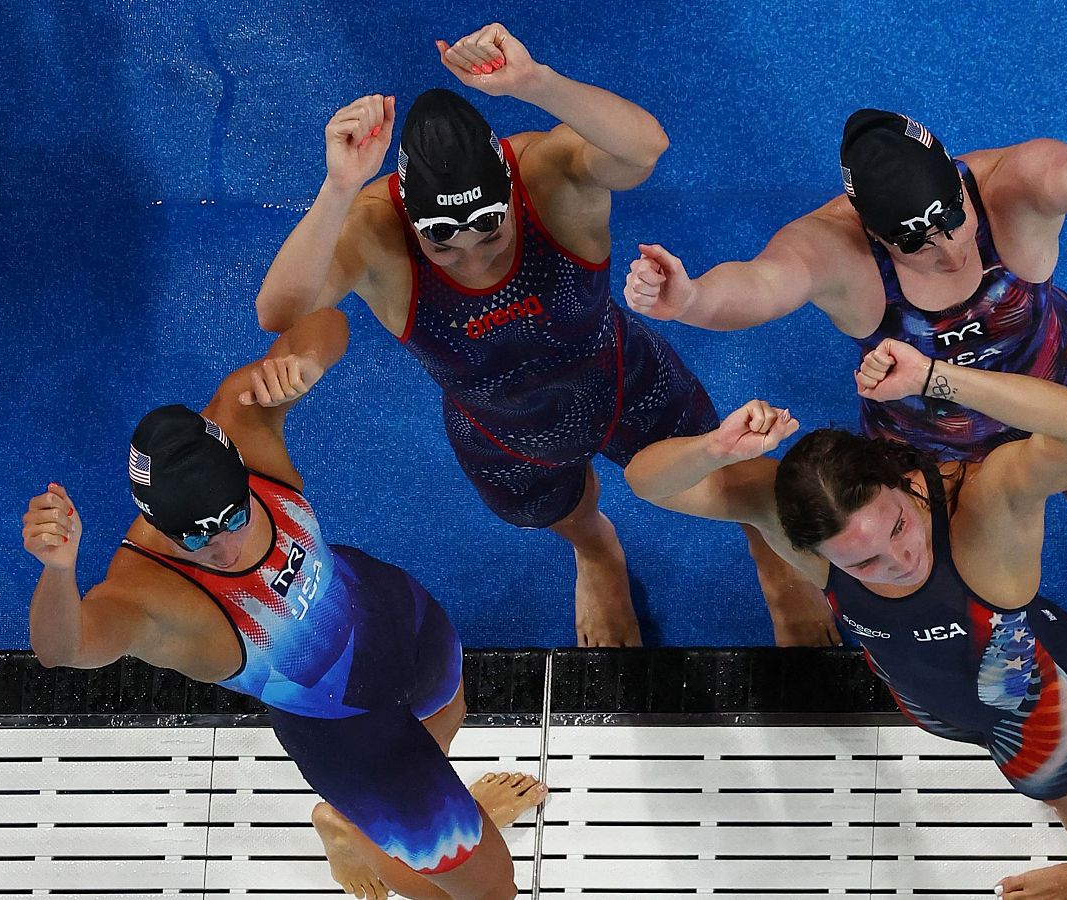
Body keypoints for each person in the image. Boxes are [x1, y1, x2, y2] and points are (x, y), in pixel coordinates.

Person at [254, 23, 832, 647]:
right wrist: (338, 188)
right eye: (443, 245)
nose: (472, 258)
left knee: (735, 480)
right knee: (559, 513)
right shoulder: (372, 228)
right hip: (504, 432)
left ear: (510, 194)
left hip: (626, 383)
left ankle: (772, 554)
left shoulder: (548, 175)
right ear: (410, 220)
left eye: (491, 234)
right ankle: (597, 552)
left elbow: (644, 149)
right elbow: (280, 311)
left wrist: (536, 81)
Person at [20, 309, 544, 900]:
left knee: (446, 713)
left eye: (233, 517)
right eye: (194, 536)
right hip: (349, 735)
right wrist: (59, 574)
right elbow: (64, 648)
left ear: (240, 473)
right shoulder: (147, 592)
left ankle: (368, 821)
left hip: (402, 619)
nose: (224, 546)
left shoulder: (244, 422)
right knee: (489, 891)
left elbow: (325, 323)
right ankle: (360, 834)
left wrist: (305, 362)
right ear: (153, 523)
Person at [623, 338, 1067, 899]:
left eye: (900, 525)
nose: (900, 560)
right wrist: (714, 448)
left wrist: (936, 376)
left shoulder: (980, 508)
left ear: (895, 478)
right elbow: (646, 482)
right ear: (808, 548)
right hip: (953, 695)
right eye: (863, 562)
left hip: (1034, 710)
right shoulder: (785, 518)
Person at [623, 108, 1067, 646]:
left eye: (954, 220)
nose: (950, 251)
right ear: (875, 235)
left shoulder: (1007, 184)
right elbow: (762, 283)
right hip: (925, 426)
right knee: (939, 541)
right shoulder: (838, 246)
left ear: (957, 179)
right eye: (918, 244)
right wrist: (691, 300)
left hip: (1050, 371)